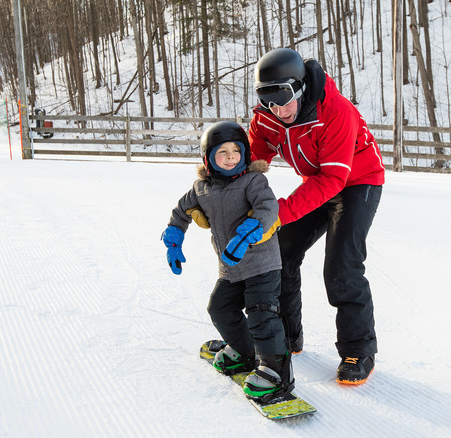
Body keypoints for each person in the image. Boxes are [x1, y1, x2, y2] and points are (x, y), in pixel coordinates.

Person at [247, 48, 385, 385]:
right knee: (279, 253)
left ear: (301, 88)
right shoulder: (269, 116)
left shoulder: (336, 112)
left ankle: (359, 350)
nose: (280, 111)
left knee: (342, 265)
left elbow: (333, 179)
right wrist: (219, 179)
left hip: (357, 181)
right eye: (271, 103)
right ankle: (287, 337)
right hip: (318, 182)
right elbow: (252, 154)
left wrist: (278, 212)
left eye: (285, 100)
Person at [161, 121, 294, 402]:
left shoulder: (253, 181)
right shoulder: (201, 189)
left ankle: (276, 373)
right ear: (208, 159)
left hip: (262, 264)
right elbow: (180, 212)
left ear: (245, 155)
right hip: (231, 267)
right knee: (219, 309)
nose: (231, 156)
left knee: (261, 315)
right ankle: (244, 352)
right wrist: (174, 240)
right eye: (223, 152)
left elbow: (268, 208)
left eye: (237, 150)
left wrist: (248, 232)